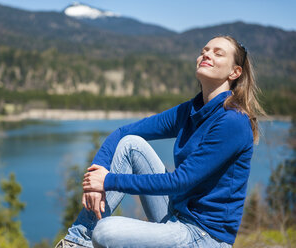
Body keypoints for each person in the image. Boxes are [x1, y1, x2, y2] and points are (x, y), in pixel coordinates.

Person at [56, 35, 265, 248]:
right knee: (130, 145)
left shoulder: (233, 121)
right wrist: (97, 176)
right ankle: (76, 242)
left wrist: (108, 180)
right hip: (176, 213)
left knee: (105, 232)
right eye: (204, 50)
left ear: (234, 72)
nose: (207, 55)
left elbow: (181, 181)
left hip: (204, 236)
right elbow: (122, 132)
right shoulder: (191, 110)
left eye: (218, 53)